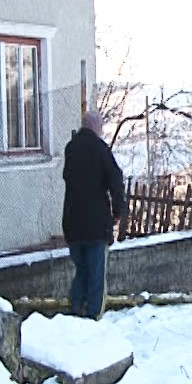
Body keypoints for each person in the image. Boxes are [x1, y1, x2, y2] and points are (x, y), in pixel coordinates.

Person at [62, 110, 127, 319]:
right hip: (96, 226)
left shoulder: (71, 149)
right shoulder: (100, 150)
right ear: (96, 127)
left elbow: (68, 177)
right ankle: (92, 319)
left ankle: (75, 312)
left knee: (81, 272)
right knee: (96, 276)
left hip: (72, 224)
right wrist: (118, 211)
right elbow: (116, 181)